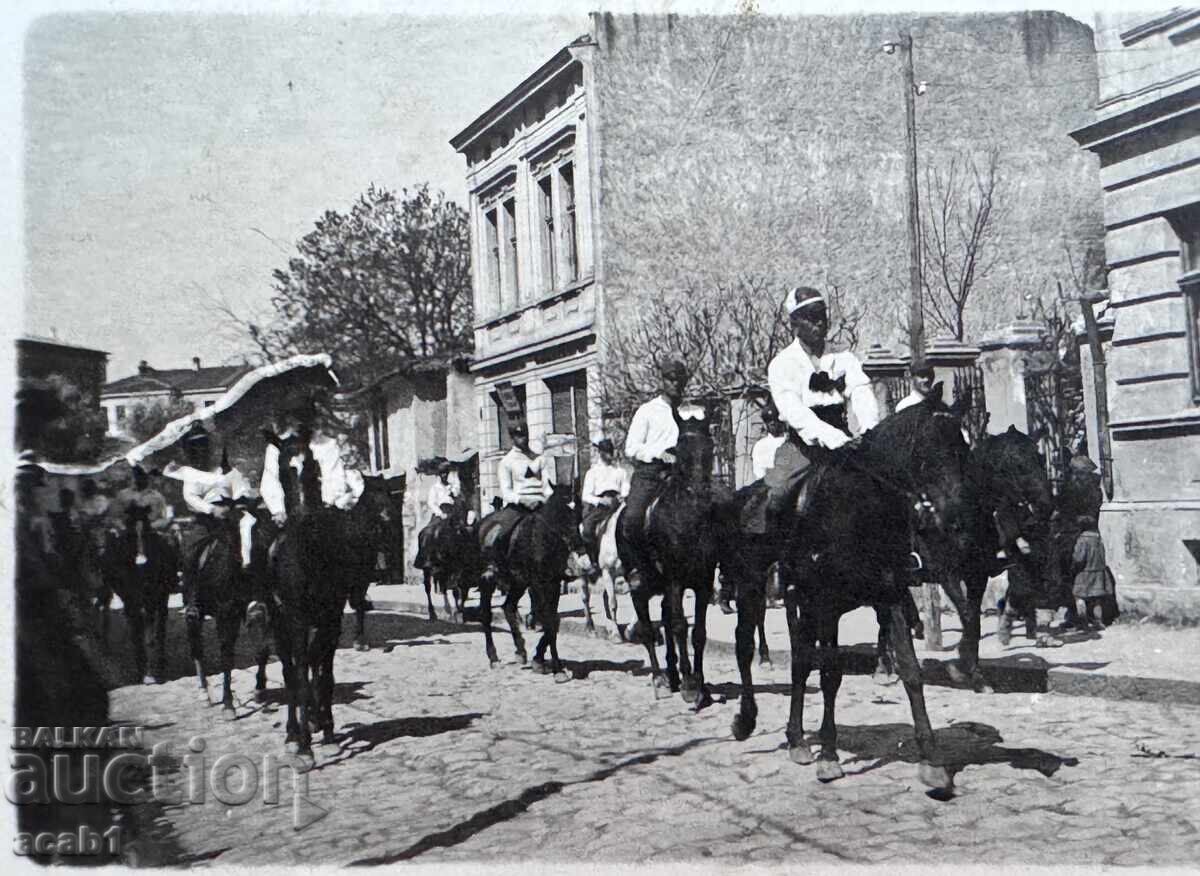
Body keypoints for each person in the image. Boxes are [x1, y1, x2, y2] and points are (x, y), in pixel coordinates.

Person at [764, 285, 879, 523]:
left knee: (884, 485)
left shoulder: (843, 356)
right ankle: (780, 558)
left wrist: (869, 430)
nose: (819, 323)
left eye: (822, 316)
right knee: (775, 495)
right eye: (810, 317)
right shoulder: (782, 364)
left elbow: (861, 390)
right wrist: (833, 438)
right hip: (802, 446)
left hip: (845, 439)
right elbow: (793, 411)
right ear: (795, 324)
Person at [169, 422, 254, 619]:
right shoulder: (191, 473)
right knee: (190, 552)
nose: (200, 450)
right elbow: (190, 497)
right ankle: (191, 600)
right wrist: (211, 509)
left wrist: (240, 502)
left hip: (230, 517)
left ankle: (255, 598)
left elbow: (240, 490)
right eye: (195, 446)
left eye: (203, 445)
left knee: (252, 545)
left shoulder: (228, 471)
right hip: (206, 520)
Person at [619, 359, 690, 592]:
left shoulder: (690, 412)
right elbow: (631, 447)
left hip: (683, 475)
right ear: (663, 381)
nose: (676, 384)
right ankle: (639, 568)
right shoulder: (648, 411)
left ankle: (720, 575)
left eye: (680, 380)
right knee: (632, 518)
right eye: (671, 379)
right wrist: (658, 454)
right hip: (651, 473)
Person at [480, 420, 554, 556]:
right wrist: (523, 500)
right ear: (512, 437)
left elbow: (547, 485)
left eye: (525, 434)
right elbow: (506, 491)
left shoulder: (540, 459)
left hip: (541, 505)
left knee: (563, 530)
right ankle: (494, 564)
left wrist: (547, 499)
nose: (523, 439)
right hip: (518, 507)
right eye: (519, 435)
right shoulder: (506, 462)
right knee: (501, 534)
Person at [579, 438, 631, 559]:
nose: (610, 454)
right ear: (600, 452)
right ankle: (593, 559)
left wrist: (622, 496)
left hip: (618, 503)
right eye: (606, 451)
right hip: (601, 505)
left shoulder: (620, 471)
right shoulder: (592, 472)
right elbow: (586, 495)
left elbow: (625, 488)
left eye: (610, 451)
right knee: (587, 528)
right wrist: (601, 500)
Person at [414, 460, 460, 570]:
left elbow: (458, 500)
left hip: (452, 514)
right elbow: (431, 503)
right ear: (439, 475)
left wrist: (454, 494)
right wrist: (440, 513)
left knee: (463, 532)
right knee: (428, 533)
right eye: (442, 473)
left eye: (446, 473)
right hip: (439, 514)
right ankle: (427, 558)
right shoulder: (435, 488)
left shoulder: (452, 487)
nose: (444, 476)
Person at [1072, 515, 1109, 630]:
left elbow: (1079, 558)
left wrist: (1073, 561)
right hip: (1098, 572)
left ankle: (1083, 623)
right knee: (1097, 598)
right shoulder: (1098, 539)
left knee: (1079, 597)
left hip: (1084, 572)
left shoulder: (1082, 540)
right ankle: (1099, 621)